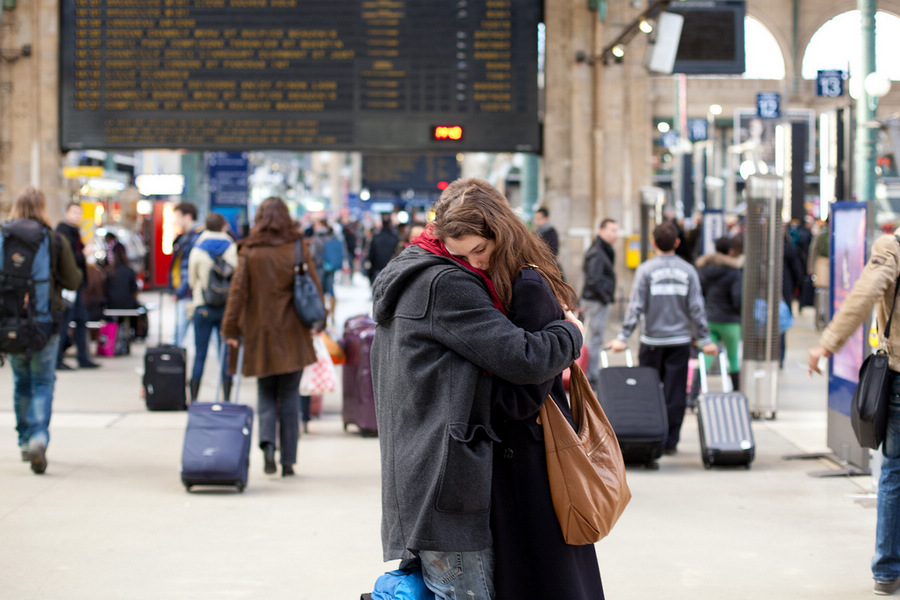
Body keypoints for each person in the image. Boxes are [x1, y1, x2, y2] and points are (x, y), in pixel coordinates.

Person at [371, 177, 585, 600]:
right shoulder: (445, 285)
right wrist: (571, 332)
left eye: (480, 251)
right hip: (445, 491)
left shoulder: (411, 271)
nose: (476, 263)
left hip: (421, 481)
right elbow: (525, 358)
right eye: (466, 254)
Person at [808, 232, 900, 596]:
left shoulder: (891, 247)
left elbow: (864, 293)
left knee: (893, 471)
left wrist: (827, 343)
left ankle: (887, 570)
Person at [222, 197, 322, 478]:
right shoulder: (297, 247)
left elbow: (237, 292)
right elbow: (314, 285)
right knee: (290, 395)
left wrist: (230, 329)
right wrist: (320, 319)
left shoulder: (249, 250)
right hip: (293, 333)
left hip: (260, 333)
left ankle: (267, 447)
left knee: (266, 393)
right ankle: (289, 460)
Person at [608, 221, 717, 455]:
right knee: (675, 393)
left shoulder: (646, 270)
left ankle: (649, 437)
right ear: (677, 243)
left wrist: (623, 337)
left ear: (653, 243)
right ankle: (670, 441)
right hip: (679, 343)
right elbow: (696, 308)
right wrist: (705, 339)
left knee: (647, 391)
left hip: (652, 343)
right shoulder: (688, 271)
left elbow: (636, 306)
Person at [1, 186, 82, 474]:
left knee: (21, 381)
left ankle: (24, 441)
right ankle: (38, 436)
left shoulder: (3, 236)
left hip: (9, 322)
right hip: (44, 324)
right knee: (43, 382)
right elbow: (73, 281)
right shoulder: (54, 239)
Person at [188, 212, 238, 403]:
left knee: (200, 353)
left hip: (203, 306)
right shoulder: (231, 248)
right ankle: (226, 398)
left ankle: (194, 398)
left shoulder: (198, 250)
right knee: (225, 355)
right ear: (223, 226)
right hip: (226, 308)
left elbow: (192, 281)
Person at [696, 235, 744, 390]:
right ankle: (737, 393)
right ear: (730, 251)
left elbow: (699, 294)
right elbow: (737, 297)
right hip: (730, 321)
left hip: (709, 319)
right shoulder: (734, 271)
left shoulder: (703, 269)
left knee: (706, 358)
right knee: (733, 358)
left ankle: (692, 396)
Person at [55, 201, 98, 370]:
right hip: (68, 284)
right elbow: (68, 259)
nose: (77, 216)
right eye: (74, 212)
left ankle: (83, 357)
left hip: (76, 283)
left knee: (81, 319)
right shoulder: (63, 232)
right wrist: (84, 254)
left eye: (79, 213)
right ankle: (58, 359)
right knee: (65, 321)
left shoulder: (75, 232)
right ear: (66, 213)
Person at [581, 217, 619, 384]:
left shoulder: (603, 250)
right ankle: (591, 375)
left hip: (597, 299)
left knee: (594, 338)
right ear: (601, 231)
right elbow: (593, 280)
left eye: (616, 231)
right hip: (596, 301)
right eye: (612, 230)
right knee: (594, 339)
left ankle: (590, 373)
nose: (615, 234)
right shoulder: (598, 252)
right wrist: (604, 297)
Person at [169, 202, 203, 347]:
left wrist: (180, 291)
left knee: (178, 334)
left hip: (189, 293)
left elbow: (188, 268)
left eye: (177, 216)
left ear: (187, 216)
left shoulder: (194, 238)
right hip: (190, 292)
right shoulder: (187, 236)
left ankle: (171, 364)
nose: (175, 221)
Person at [104, 243, 140, 346]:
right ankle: (132, 335)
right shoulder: (129, 271)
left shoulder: (109, 272)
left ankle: (116, 339)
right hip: (127, 304)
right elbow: (134, 290)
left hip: (112, 304)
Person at [366, 215, 399, 286]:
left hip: (378, 269)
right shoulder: (395, 237)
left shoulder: (376, 237)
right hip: (391, 269)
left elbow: (371, 254)